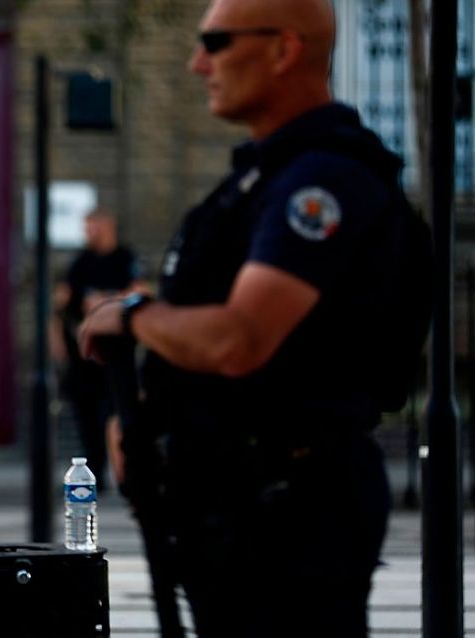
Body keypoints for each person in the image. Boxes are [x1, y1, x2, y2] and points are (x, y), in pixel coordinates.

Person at [79, 0, 429, 635]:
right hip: (232, 509)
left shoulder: (324, 181)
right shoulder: (260, 179)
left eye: (215, 43)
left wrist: (131, 317)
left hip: (291, 511)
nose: (197, 64)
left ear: (283, 48)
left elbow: (239, 340)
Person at [56, 208, 142, 485]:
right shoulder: (80, 262)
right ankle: (94, 473)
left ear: (108, 226)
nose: (90, 233)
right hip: (82, 354)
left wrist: (108, 301)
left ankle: (127, 472)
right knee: (86, 415)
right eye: (87, 228)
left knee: (118, 412)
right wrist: (59, 343)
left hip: (116, 351)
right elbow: (62, 304)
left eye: (94, 227)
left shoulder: (124, 259)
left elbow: (141, 293)